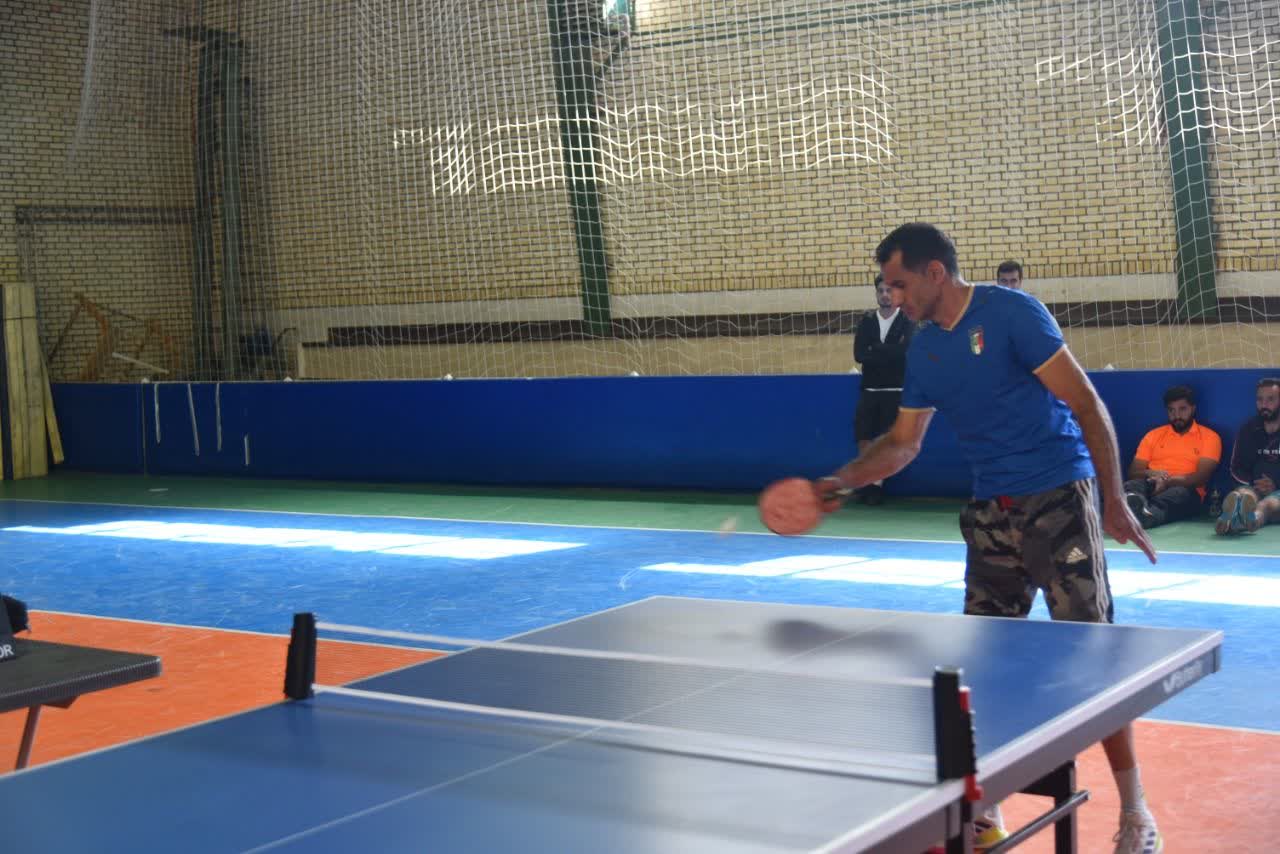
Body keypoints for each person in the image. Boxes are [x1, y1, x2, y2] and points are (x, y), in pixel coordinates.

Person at [815, 223, 1160, 854]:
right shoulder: (924, 349)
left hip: (1059, 499)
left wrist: (1112, 499)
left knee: (1094, 658)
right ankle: (986, 806)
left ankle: (1136, 812)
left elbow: (1086, 403)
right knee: (985, 665)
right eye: (887, 286)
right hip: (989, 515)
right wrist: (838, 482)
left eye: (899, 283)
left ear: (935, 273)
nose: (892, 296)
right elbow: (902, 445)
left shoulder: (1012, 314)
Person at [852, 273, 914, 504]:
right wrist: (888, 351)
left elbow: (904, 353)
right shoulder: (867, 321)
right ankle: (866, 480)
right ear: (876, 293)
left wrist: (875, 348)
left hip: (894, 390)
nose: (885, 295)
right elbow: (859, 355)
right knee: (864, 436)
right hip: (869, 389)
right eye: (881, 291)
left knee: (886, 441)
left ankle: (876, 486)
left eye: (889, 290)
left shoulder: (907, 320)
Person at [1123, 385, 1220, 528]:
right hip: (1151, 482)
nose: (1177, 415)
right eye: (1171, 410)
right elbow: (1133, 473)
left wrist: (1167, 482)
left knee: (1176, 496)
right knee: (1132, 486)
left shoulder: (1210, 437)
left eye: (1182, 409)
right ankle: (1134, 508)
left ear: (1193, 409)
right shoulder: (1153, 435)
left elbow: (1201, 478)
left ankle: (1143, 515)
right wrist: (1151, 474)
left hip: (1186, 489)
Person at [1216, 377, 1280, 535]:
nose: (1264, 405)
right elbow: (1235, 468)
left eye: (1270, 399)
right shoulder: (1248, 429)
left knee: (1268, 505)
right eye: (1260, 399)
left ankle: (1251, 519)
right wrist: (1255, 484)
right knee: (1243, 495)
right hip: (1253, 485)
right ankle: (1233, 513)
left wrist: (1275, 485)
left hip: (1278, 490)